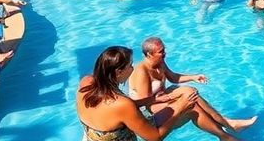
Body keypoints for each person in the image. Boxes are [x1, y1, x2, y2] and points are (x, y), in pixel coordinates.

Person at [76, 46, 215, 141]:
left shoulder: (87, 82)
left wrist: (151, 100)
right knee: (189, 110)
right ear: (118, 72)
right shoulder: (122, 104)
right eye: (130, 66)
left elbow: (110, 112)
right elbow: (154, 137)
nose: (132, 69)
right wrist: (180, 108)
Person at [129, 37, 257, 138]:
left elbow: (173, 77)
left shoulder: (160, 62)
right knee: (191, 100)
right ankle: (226, 127)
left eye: (164, 50)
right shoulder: (141, 72)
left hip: (164, 97)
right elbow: (143, 102)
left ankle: (226, 125)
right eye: (161, 52)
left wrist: (194, 77)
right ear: (149, 54)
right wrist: (169, 97)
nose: (164, 54)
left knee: (191, 92)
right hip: (151, 108)